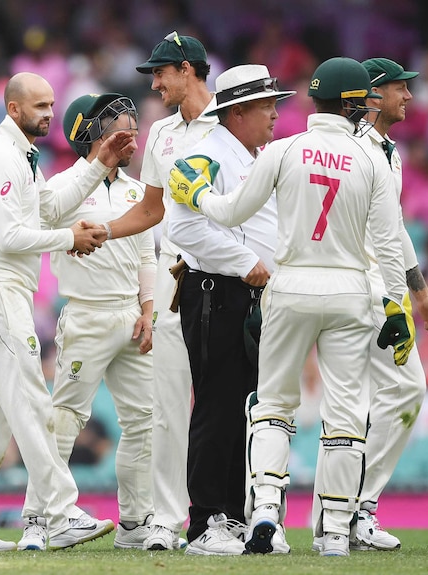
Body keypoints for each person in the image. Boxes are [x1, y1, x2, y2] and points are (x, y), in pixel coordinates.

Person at [169, 57, 412, 557]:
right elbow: (389, 243)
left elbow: (231, 210)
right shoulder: (372, 159)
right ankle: (336, 533)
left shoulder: (283, 150)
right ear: (355, 106)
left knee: (272, 406)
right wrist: (397, 304)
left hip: (289, 287)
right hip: (348, 292)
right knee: (346, 412)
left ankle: (262, 513)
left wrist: (199, 196)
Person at [0, 73, 134, 552]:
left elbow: (49, 209)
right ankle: (61, 512)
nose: (48, 113)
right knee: (30, 400)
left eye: (51, 105)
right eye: (38, 105)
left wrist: (99, 163)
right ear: (12, 108)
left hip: (5, 292)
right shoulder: (5, 158)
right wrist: (71, 239)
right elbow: (12, 238)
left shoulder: (23, 155)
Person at [312, 57, 428, 553]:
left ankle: (339, 511)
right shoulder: (354, 147)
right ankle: (353, 510)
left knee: (367, 399)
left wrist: (421, 294)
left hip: (381, 289)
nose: (408, 97)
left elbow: (393, 230)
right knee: (400, 388)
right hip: (361, 288)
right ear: (371, 94)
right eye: (399, 88)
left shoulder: (386, 151)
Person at [166, 64, 294, 556]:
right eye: (267, 105)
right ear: (238, 111)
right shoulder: (206, 152)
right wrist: (246, 263)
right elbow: (183, 227)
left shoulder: (248, 153)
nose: (275, 114)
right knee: (217, 406)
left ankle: (237, 516)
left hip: (246, 292)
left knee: (246, 409)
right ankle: (204, 522)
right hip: (216, 292)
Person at [20, 93, 156, 550]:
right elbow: (45, 217)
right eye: (116, 122)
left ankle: (136, 525)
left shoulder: (137, 190)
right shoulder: (65, 186)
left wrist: (149, 308)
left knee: (142, 422)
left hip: (130, 317)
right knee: (64, 421)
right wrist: (94, 166)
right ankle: (39, 520)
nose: (130, 128)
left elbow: (146, 254)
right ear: (89, 131)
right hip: (86, 315)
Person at [102, 30, 217, 552]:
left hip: (226, 278)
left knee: (225, 404)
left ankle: (231, 515)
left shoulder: (232, 124)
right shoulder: (163, 135)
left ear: (189, 70)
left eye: (162, 72)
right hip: (174, 282)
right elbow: (151, 212)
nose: (155, 82)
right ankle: (167, 521)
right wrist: (101, 232)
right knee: (167, 409)